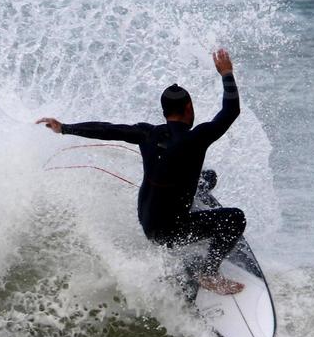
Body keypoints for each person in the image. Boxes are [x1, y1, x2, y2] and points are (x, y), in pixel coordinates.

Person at [37, 48, 247, 295]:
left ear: (164, 113)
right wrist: (226, 73)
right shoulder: (197, 138)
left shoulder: (146, 132)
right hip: (170, 232)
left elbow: (107, 129)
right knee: (235, 218)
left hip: (146, 219)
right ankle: (209, 273)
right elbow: (231, 111)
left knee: (207, 178)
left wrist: (65, 128)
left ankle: (196, 199)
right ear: (189, 108)